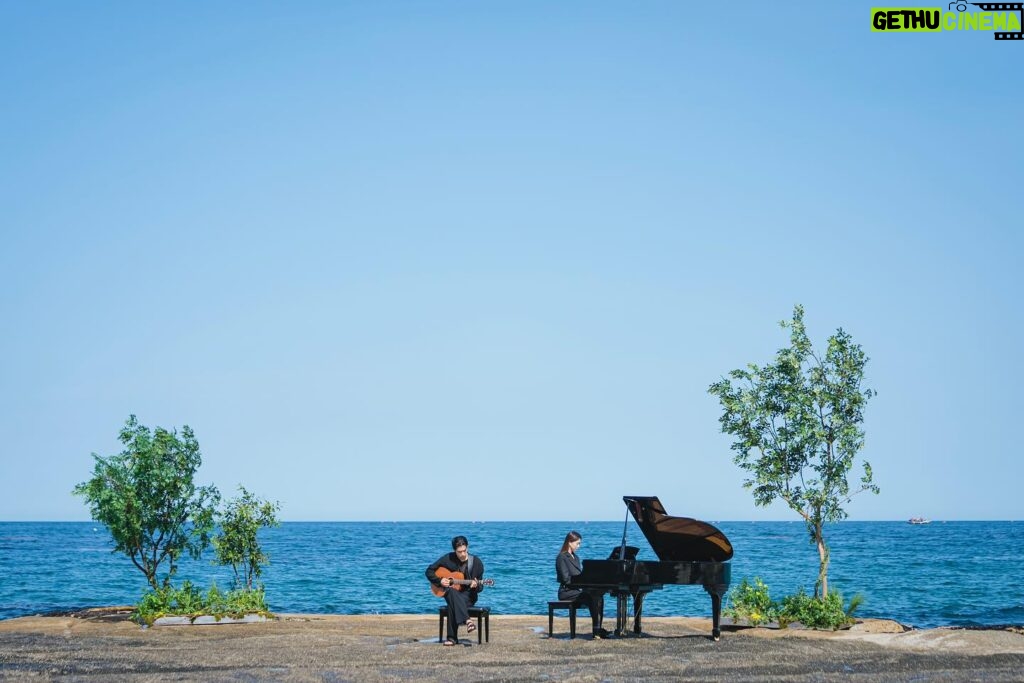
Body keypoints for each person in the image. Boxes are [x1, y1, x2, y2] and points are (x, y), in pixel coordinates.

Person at [426, 535, 486, 646]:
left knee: (451, 598)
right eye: (459, 552)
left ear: (467, 547)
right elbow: (429, 571)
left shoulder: (476, 563)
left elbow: (481, 587)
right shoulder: (448, 558)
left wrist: (476, 585)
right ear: (455, 551)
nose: (463, 554)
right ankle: (468, 621)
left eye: (464, 550)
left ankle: (452, 638)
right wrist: (440, 581)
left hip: (469, 596)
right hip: (452, 593)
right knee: (451, 591)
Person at [556, 530, 610, 638]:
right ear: (570, 542)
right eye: (577, 543)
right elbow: (565, 579)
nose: (578, 546)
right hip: (566, 591)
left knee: (599, 597)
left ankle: (598, 627)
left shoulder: (576, 558)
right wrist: (581, 584)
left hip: (576, 590)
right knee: (592, 597)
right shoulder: (561, 557)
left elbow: (580, 575)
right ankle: (596, 631)